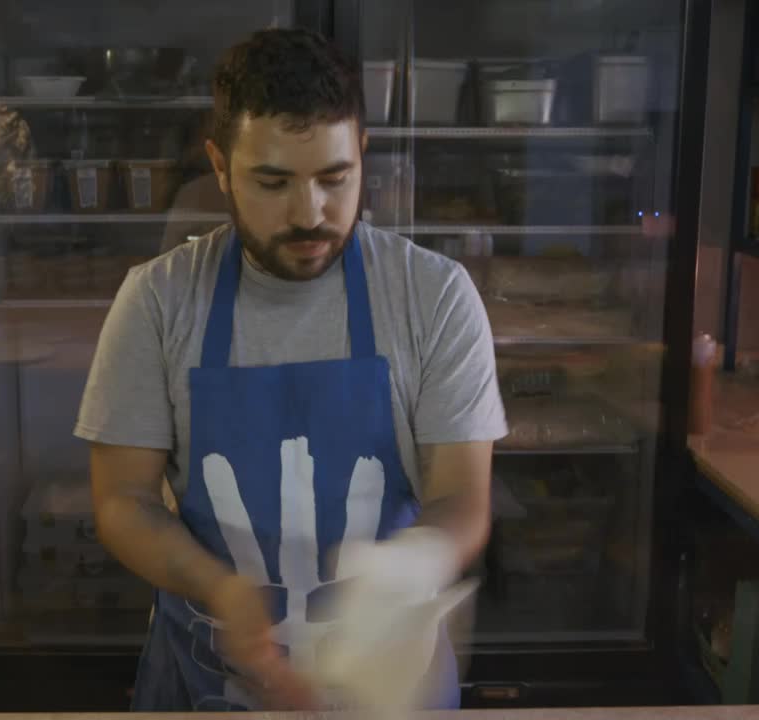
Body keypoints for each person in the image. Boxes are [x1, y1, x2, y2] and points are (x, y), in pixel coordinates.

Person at [74, 28, 507, 712]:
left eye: (335, 178)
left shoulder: (434, 297)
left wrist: (408, 564)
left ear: (362, 152)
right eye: (272, 182)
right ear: (220, 166)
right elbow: (122, 500)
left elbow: (461, 496)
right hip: (207, 680)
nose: (310, 214)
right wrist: (218, 586)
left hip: (388, 689)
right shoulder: (159, 300)